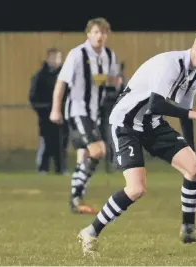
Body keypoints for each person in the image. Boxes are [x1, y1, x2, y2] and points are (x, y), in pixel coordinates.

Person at [76, 27, 196, 256]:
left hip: (151, 123)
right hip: (125, 124)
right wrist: (194, 114)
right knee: (136, 189)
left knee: (195, 169)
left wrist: (190, 150)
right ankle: (90, 231)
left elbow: (182, 112)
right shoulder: (171, 64)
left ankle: (188, 229)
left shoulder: (193, 73)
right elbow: (157, 104)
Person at [50, 17, 120, 214]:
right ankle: (76, 196)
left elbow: (109, 79)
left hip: (93, 113)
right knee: (98, 151)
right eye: (96, 32)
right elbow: (61, 82)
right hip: (78, 111)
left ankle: (76, 198)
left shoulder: (108, 55)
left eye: (103, 33)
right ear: (88, 34)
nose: (100, 36)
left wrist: (115, 81)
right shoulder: (77, 54)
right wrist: (55, 109)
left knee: (84, 155)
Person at [29, 48, 69, 175]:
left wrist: (64, 109)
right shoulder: (40, 75)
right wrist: (43, 109)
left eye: (58, 58)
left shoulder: (66, 76)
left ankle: (61, 169)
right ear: (48, 58)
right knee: (46, 142)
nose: (56, 60)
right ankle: (43, 168)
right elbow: (33, 96)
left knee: (61, 143)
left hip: (63, 116)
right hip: (45, 116)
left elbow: (70, 94)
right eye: (53, 57)